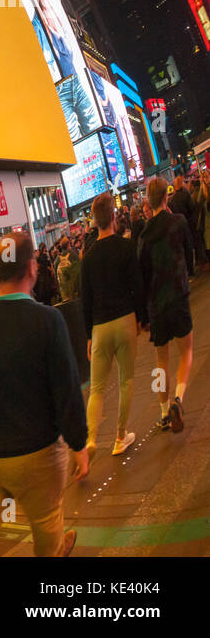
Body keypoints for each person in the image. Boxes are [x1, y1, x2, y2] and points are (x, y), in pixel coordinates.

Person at [0, 230, 88, 557]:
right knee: (46, 523)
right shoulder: (48, 320)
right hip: (37, 454)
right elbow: (66, 389)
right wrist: (78, 443)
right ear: (32, 268)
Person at [80, 194, 146, 459]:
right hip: (125, 319)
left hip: (99, 327)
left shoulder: (88, 257)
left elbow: (85, 300)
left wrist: (88, 335)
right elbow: (137, 286)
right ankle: (120, 437)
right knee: (125, 380)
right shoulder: (126, 247)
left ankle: (91, 439)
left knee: (96, 387)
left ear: (95, 221)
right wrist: (141, 318)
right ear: (114, 217)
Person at [138, 176, 196, 433]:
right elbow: (189, 249)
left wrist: (143, 315)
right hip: (178, 296)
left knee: (161, 361)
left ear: (148, 203)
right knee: (187, 352)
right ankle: (179, 400)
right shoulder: (178, 222)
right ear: (166, 197)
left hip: (156, 305)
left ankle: (163, 412)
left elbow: (142, 275)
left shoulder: (143, 236)